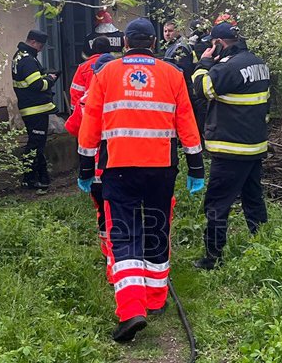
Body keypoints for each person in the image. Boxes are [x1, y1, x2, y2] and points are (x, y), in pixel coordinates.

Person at [77, 18, 205, 343]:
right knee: (158, 226)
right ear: (152, 43)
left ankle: (132, 309)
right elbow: (186, 122)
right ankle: (156, 299)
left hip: (118, 169)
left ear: (125, 43)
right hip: (162, 169)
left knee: (124, 233)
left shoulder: (106, 74)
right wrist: (196, 168)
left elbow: (90, 122)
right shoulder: (172, 74)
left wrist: (84, 169)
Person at [191, 21, 271, 270]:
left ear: (218, 43)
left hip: (230, 149)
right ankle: (264, 246)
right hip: (254, 146)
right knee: (253, 200)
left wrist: (203, 64)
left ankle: (212, 257)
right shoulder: (258, 63)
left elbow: (201, 89)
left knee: (217, 203)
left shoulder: (229, 68)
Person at [65, 52, 116, 283]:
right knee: (120, 215)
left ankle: (108, 255)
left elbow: (73, 129)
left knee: (103, 215)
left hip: (93, 171)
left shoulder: (86, 100)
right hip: (118, 168)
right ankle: (117, 262)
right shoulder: (122, 100)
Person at [11, 30, 59, 191]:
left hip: (31, 108)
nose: (41, 49)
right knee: (35, 145)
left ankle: (40, 178)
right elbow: (37, 85)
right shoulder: (28, 60)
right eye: (40, 45)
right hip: (35, 109)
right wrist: (50, 80)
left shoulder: (20, 56)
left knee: (36, 144)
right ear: (32, 42)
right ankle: (31, 179)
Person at [70, 36, 112, 108]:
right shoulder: (117, 65)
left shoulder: (83, 67)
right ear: (109, 49)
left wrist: (76, 110)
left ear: (92, 49)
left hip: (90, 108)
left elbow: (76, 91)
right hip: (112, 108)